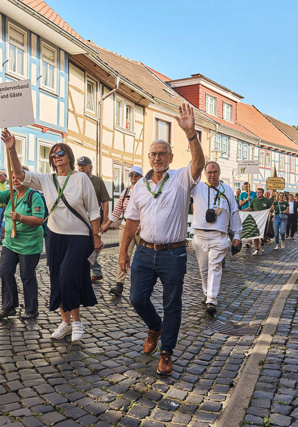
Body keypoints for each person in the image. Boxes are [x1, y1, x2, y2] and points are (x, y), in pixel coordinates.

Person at [119, 103, 204, 376]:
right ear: (149, 157)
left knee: (172, 303)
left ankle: (166, 352)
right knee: (136, 298)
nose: (157, 158)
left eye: (162, 154)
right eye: (153, 154)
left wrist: (191, 134)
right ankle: (154, 326)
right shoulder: (140, 186)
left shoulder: (180, 179)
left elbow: (198, 163)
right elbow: (131, 222)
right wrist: (123, 253)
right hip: (143, 252)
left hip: (173, 254)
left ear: (170, 157)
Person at [3, 132, 102, 342]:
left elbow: (94, 210)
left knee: (68, 277)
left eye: (61, 153)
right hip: (55, 237)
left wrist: (96, 235)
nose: (57, 156)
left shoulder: (82, 179)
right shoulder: (47, 180)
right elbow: (19, 175)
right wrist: (12, 149)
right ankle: (65, 322)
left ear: (69, 156)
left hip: (78, 237)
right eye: (54, 154)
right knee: (57, 278)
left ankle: (77, 322)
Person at [0, 167, 45, 321]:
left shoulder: (34, 196)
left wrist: (21, 217)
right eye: (13, 177)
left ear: (27, 178)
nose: (15, 180)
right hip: (10, 243)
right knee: (5, 271)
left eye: (18, 177)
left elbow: (39, 220)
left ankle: (31, 309)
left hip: (29, 245)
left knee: (27, 276)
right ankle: (9, 307)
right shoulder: (10, 195)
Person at [191, 161, 241, 315]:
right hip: (200, 235)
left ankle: (212, 300)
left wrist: (237, 234)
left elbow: (234, 211)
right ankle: (207, 293)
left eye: (215, 172)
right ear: (205, 173)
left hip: (218, 236)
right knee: (204, 268)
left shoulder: (227, 190)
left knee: (215, 266)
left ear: (219, 173)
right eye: (209, 172)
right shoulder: (197, 187)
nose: (212, 175)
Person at [101, 166, 143, 296]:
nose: (133, 177)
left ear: (141, 177)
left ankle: (143, 285)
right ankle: (119, 285)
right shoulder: (125, 192)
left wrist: (143, 225)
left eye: (136, 175)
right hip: (126, 226)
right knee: (123, 254)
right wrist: (107, 224)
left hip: (142, 229)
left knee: (143, 257)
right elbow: (117, 210)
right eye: (131, 175)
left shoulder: (146, 191)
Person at [77, 156, 110, 283]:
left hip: (93, 220)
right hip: (79, 219)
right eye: (79, 166)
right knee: (84, 247)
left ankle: (95, 271)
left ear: (90, 167)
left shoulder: (97, 181)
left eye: (84, 166)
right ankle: (95, 271)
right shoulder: (76, 179)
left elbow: (105, 201)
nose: (81, 168)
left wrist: (105, 221)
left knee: (92, 247)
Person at [250, 188, 271, 256]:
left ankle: (262, 241)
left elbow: (271, 209)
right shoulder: (254, 201)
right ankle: (256, 249)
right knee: (256, 234)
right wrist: (242, 211)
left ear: (262, 193)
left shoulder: (267, 201)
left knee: (263, 234)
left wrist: (271, 213)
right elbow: (250, 208)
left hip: (264, 220)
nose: (258, 194)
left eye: (259, 192)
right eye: (257, 192)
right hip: (256, 220)